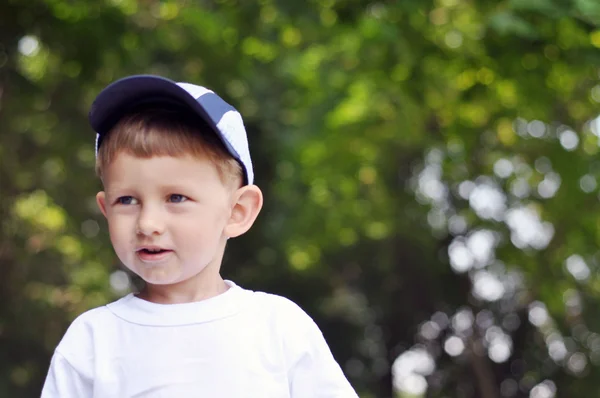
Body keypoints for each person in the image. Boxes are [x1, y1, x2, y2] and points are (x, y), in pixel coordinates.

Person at [41, 75, 359, 397]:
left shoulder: (279, 328)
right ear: (105, 208)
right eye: (127, 200)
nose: (147, 223)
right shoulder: (92, 340)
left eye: (176, 198)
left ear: (238, 212)